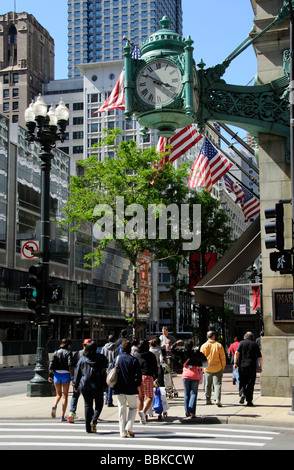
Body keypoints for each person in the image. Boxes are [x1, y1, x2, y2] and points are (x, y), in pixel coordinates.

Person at [73, 341, 108, 433]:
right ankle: (94, 419)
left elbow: (77, 373)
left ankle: (88, 427)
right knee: (99, 404)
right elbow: (106, 366)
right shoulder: (100, 358)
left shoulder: (82, 359)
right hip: (97, 384)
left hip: (85, 385)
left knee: (88, 405)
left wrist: (75, 384)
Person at [111, 340, 142, 438]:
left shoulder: (117, 359)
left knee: (121, 409)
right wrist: (137, 384)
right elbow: (139, 374)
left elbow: (112, 371)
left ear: (122, 348)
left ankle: (122, 432)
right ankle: (129, 427)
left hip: (119, 387)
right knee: (133, 408)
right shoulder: (133, 360)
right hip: (131, 387)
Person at [172, 339, 207, 418]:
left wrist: (176, 343)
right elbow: (205, 362)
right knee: (193, 393)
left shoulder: (183, 353)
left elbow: (172, 350)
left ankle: (187, 412)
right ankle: (192, 411)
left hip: (185, 375)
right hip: (195, 374)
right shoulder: (197, 353)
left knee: (186, 394)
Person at [234, 331, 262, 407]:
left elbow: (236, 352)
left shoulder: (242, 343)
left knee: (242, 380)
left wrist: (235, 362)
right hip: (252, 366)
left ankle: (242, 393)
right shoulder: (255, 344)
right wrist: (260, 366)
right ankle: (249, 401)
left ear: (245, 336)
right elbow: (260, 356)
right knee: (251, 383)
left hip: (242, 365)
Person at [134, 339, 158, 424]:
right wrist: (156, 376)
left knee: (140, 397)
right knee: (150, 397)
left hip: (137, 377)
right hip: (148, 376)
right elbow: (155, 367)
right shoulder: (151, 355)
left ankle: (142, 415)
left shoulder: (136, 355)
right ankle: (143, 413)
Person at [48, 338, 74, 421]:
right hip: (65, 374)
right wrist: (72, 376)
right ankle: (62, 416)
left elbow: (51, 364)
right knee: (65, 396)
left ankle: (55, 405)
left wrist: (50, 375)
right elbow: (70, 364)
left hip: (57, 374)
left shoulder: (56, 352)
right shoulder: (69, 352)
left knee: (58, 394)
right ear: (68, 345)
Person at [200, 331, 226, 407]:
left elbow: (201, 358)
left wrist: (203, 367)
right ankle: (217, 399)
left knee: (208, 384)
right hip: (217, 367)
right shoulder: (219, 345)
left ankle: (208, 399)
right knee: (217, 384)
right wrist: (223, 367)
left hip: (207, 368)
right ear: (213, 336)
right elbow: (223, 357)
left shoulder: (204, 346)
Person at [68, 338, 92, 423]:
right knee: (89, 398)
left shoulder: (78, 354)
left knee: (75, 396)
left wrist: (73, 377)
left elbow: (72, 366)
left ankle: (72, 412)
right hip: (88, 380)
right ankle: (90, 415)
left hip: (78, 379)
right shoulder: (92, 355)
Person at [101, 335, 117, 407]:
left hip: (105, 366)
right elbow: (117, 358)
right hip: (112, 367)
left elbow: (101, 356)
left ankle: (106, 399)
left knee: (106, 383)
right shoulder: (115, 348)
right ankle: (109, 401)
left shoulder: (104, 348)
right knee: (111, 383)